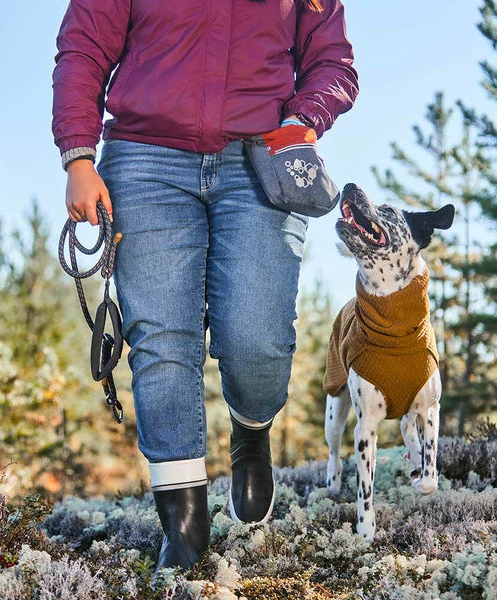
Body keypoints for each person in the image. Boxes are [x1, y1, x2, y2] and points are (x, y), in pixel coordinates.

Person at [52, 0, 358, 576]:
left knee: (257, 336)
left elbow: (333, 62)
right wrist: (78, 155)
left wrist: (303, 119)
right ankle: (184, 525)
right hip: (145, 161)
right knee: (163, 340)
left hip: (261, 159)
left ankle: (251, 429)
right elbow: (84, 44)